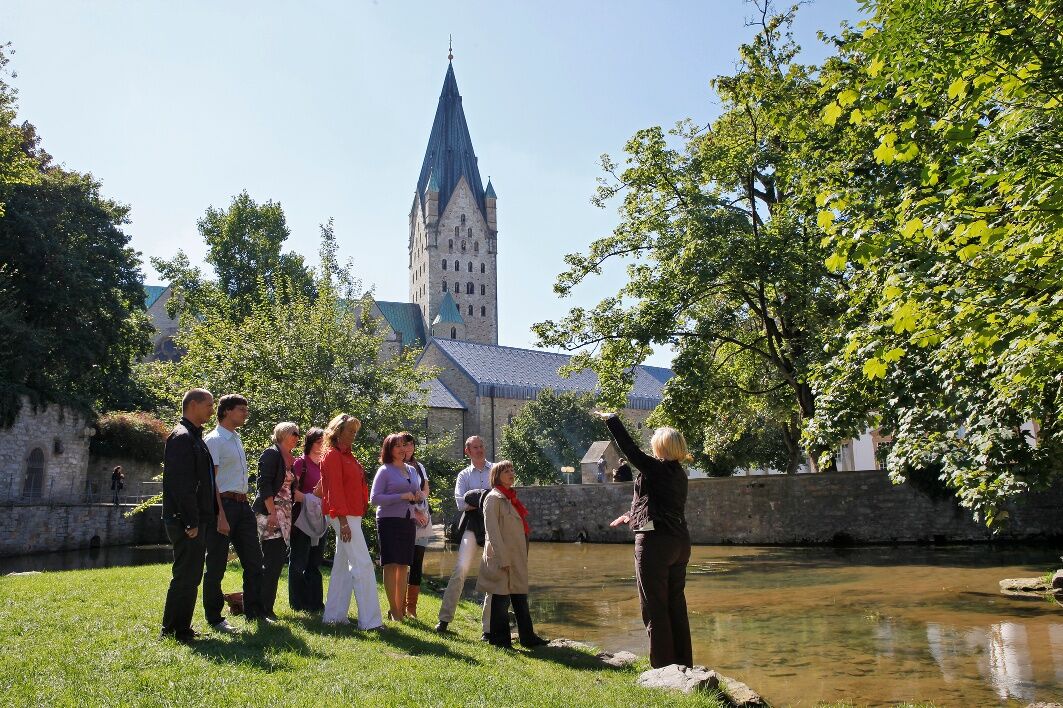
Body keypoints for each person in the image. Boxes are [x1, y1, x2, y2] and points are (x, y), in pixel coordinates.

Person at [598, 411, 693, 668]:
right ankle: (683, 662)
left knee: (654, 606)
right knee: (675, 604)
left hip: (655, 543)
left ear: (661, 447)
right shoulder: (678, 473)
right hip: (679, 542)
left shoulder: (657, 468)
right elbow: (659, 503)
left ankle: (662, 668)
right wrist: (630, 515)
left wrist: (612, 420)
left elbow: (630, 450)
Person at [202, 394, 268, 633]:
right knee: (216, 563)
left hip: (242, 506)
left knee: (254, 561)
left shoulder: (236, 439)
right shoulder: (214, 440)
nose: (245, 413)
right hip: (223, 505)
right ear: (227, 411)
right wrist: (220, 514)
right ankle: (215, 618)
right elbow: (211, 483)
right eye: (241, 409)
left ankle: (255, 612)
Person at [160, 388, 216, 644]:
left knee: (191, 575)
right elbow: (182, 485)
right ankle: (173, 630)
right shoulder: (182, 437)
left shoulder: (194, 437)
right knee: (185, 574)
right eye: (209, 405)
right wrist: (191, 521)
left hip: (194, 518)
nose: (212, 410)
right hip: (185, 519)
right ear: (193, 405)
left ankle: (182, 627)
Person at [319, 413, 383, 630]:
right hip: (343, 515)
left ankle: (334, 616)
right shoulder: (333, 455)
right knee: (363, 564)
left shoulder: (347, 455)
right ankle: (370, 622)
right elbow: (334, 491)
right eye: (350, 431)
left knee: (342, 567)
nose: (354, 435)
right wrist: (344, 522)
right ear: (338, 431)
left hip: (350, 514)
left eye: (355, 431)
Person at [477, 460, 548, 649]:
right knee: (501, 598)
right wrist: (502, 558)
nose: (511, 473)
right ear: (497, 476)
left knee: (519, 597)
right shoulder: (493, 498)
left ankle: (528, 638)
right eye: (506, 471)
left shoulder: (510, 498)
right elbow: (492, 531)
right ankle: (500, 641)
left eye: (512, 470)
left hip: (515, 556)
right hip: (502, 556)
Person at [435, 436, 493, 636]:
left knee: (492, 572)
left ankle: (488, 628)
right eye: (475, 447)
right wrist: (486, 499)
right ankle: (444, 620)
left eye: (481, 446)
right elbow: (461, 503)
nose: (480, 450)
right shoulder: (463, 475)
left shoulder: (495, 469)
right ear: (467, 451)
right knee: (461, 569)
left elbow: (503, 497)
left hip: (492, 524)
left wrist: (476, 499)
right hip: (471, 524)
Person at [370, 433, 424, 621]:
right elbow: (374, 499)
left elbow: (416, 493)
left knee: (403, 565)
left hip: (408, 521)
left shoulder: (412, 470)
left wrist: (418, 498)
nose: (402, 449)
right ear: (389, 449)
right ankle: (394, 611)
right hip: (389, 521)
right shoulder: (384, 470)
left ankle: (399, 610)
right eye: (397, 446)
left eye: (404, 445)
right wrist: (401, 497)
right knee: (391, 564)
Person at [254, 421, 303, 622]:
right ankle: (262, 609)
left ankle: (266, 607)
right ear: (282, 434)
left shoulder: (290, 458)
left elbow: (290, 491)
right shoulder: (271, 454)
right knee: (271, 561)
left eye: (298, 434)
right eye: (294, 433)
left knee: (276, 562)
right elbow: (263, 484)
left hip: (285, 514)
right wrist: (272, 513)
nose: (297, 437)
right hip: (271, 513)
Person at [289, 427, 326, 612]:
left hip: (320, 519)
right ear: (310, 443)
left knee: (315, 563)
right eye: (319, 442)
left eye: (325, 442)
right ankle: (297, 603)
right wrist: (308, 497)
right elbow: (291, 491)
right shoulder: (300, 463)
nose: (322, 446)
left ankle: (315, 604)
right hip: (301, 519)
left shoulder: (325, 466)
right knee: (298, 562)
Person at [401, 431, 433, 618]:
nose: (409, 448)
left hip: (421, 520)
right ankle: (399, 605)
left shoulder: (419, 466)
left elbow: (425, 489)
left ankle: (411, 607)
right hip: (405, 517)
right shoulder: (396, 467)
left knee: (417, 561)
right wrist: (415, 510)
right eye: (405, 444)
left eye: (411, 444)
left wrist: (421, 499)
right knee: (402, 562)